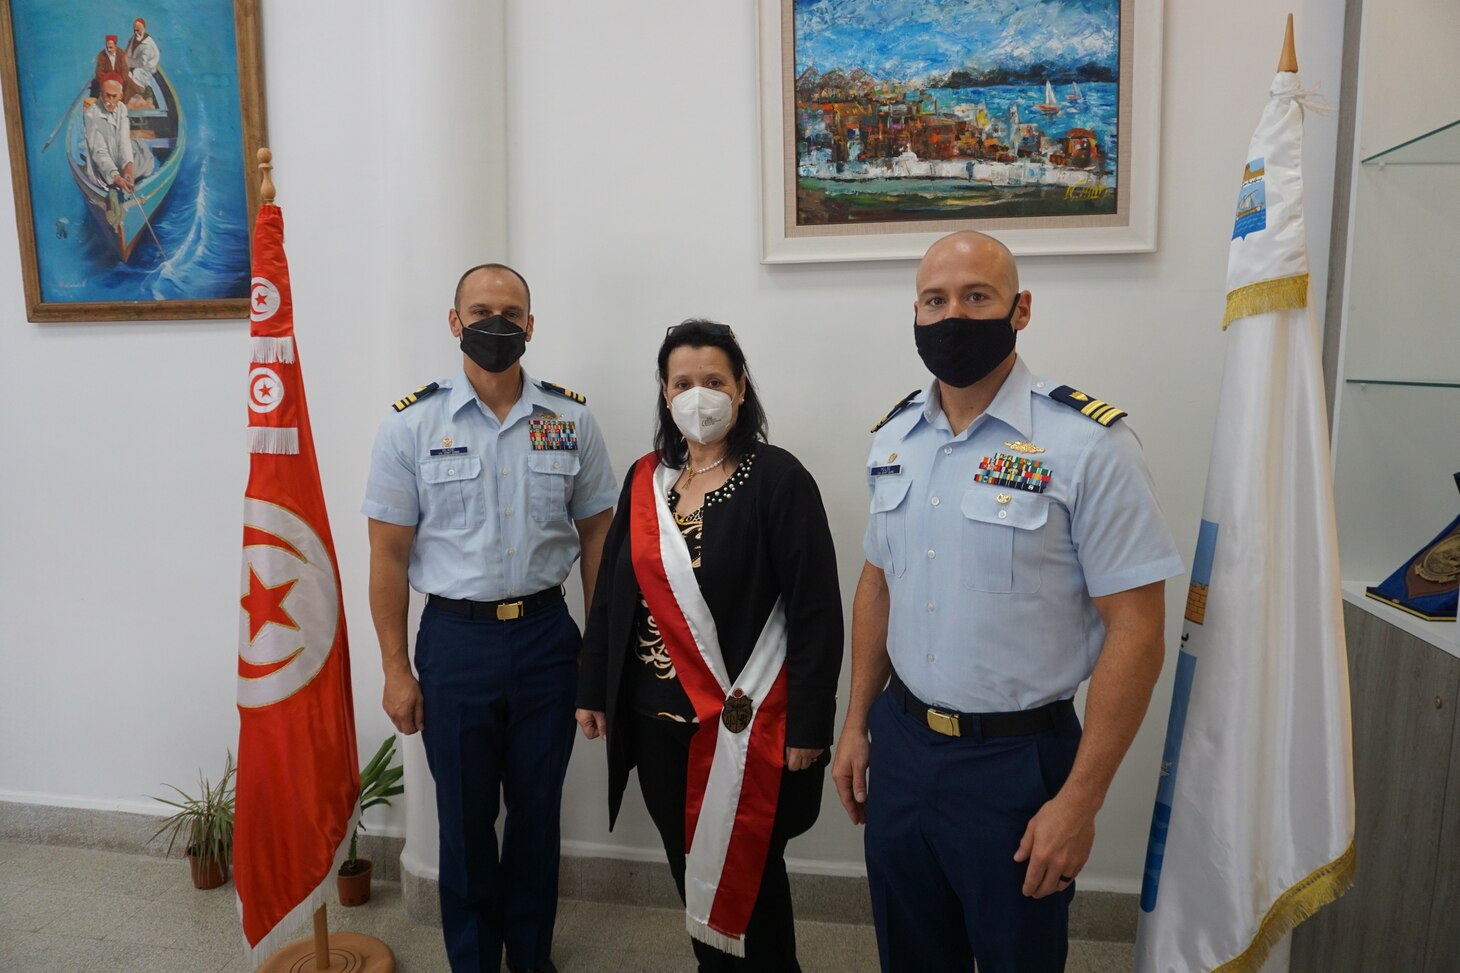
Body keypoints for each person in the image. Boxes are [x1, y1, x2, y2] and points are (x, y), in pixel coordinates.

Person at [831, 231, 1184, 973]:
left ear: (1020, 309)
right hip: (902, 744)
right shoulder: (894, 438)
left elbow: (1137, 630)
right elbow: (877, 582)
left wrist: (1079, 802)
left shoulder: (1088, 445)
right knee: (911, 954)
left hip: (1016, 764)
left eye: (976, 296)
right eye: (935, 300)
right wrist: (856, 722)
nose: (952, 314)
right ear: (915, 313)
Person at [363, 263, 616, 973]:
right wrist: (394, 668)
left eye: (511, 311)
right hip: (455, 641)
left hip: (546, 637)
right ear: (454, 321)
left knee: (538, 816)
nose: (495, 322)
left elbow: (598, 534)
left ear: (532, 325)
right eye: (480, 310)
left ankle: (530, 958)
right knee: (467, 823)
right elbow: (387, 553)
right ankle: (474, 961)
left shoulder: (570, 419)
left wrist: (595, 656)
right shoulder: (412, 424)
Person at [576, 320, 843, 971]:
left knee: (754, 882)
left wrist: (810, 725)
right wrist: (593, 687)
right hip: (657, 725)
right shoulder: (646, 480)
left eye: (714, 381)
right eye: (684, 382)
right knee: (690, 870)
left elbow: (816, 611)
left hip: (746, 729)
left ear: (741, 387)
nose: (700, 395)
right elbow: (612, 597)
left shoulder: (778, 479)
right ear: (665, 394)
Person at [82, 74, 154, 194]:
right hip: (102, 169)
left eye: (113, 96)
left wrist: (128, 170)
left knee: (144, 156)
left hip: (119, 158)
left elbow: (124, 141)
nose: (109, 101)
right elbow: (99, 152)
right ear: (101, 94)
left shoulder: (121, 108)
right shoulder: (91, 114)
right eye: (106, 95)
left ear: (120, 96)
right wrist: (116, 176)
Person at [125, 18, 159, 105]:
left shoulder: (147, 44)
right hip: (133, 65)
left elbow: (142, 63)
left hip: (146, 68)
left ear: (143, 29)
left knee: (136, 74)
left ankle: (142, 93)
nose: (136, 33)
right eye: (135, 30)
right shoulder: (133, 39)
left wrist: (127, 62)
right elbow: (127, 53)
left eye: (138, 30)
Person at [90, 34, 131, 99]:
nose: (109, 50)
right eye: (107, 47)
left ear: (115, 45)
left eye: (111, 47)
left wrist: (120, 80)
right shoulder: (101, 55)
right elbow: (99, 71)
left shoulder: (121, 54)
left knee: (128, 83)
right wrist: (107, 81)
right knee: (95, 84)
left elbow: (124, 69)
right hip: (105, 79)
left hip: (119, 79)